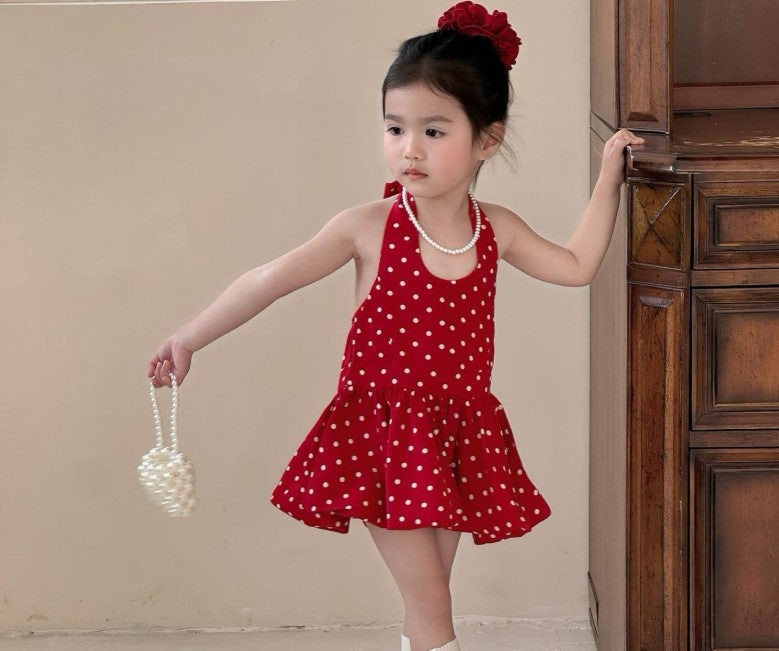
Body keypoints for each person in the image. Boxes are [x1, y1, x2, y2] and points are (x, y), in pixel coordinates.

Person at [147, 2, 644, 650]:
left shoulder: (495, 229)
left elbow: (576, 265)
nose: (409, 148)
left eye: (433, 131)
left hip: (455, 438)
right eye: (394, 127)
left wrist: (609, 178)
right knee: (433, 608)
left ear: (487, 140)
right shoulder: (369, 227)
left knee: (427, 601)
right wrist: (189, 337)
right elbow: (269, 278)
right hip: (383, 441)